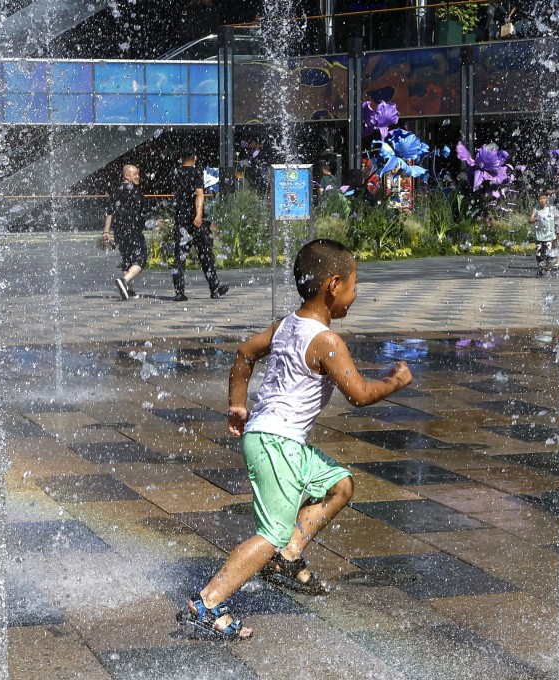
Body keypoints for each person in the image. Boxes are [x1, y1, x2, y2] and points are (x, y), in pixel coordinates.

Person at [177, 239, 413, 640]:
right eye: (354, 288)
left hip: (277, 440)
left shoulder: (286, 325)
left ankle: (288, 557)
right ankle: (209, 602)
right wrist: (396, 381)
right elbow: (359, 395)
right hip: (278, 443)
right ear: (333, 285)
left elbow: (245, 353)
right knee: (269, 533)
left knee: (340, 484)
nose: (355, 297)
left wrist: (238, 405)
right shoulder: (327, 341)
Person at [171, 150, 228, 302]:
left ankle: (179, 291)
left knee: (180, 256)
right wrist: (198, 215)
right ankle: (214, 288)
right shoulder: (196, 172)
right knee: (205, 254)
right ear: (195, 158)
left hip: (180, 219)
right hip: (195, 220)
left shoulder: (175, 172)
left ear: (181, 157)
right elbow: (199, 194)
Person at [103, 164, 148, 300]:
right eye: (134, 174)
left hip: (119, 230)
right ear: (126, 176)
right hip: (133, 229)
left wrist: (106, 231)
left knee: (127, 259)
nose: (138, 177)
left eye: (138, 174)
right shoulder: (135, 192)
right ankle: (124, 281)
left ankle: (128, 290)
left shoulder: (116, 190)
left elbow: (110, 212)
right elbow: (141, 213)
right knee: (141, 258)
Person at [530, 191, 559, 277]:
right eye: (540, 199)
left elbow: (558, 219)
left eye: (544, 198)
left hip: (549, 236)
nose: (542, 200)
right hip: (539, 236)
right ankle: (540, 269)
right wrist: (535, 219)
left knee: (549, 255)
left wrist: (558, 231)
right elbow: (530, 220)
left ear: (547, 199)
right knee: (539, 255)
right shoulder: (536, 209)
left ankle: (548, 270)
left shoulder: (551, 209)